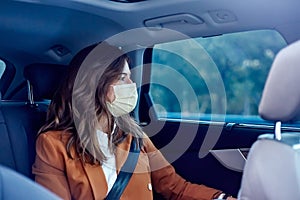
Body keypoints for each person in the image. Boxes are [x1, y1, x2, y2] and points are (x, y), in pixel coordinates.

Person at [32, 42, 236, 200]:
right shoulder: (53, 144)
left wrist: (221, 198)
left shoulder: (135, 135)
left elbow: (174, 187)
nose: (132, 85)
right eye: (122, 78)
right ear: (95, 84)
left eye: (130, 77)